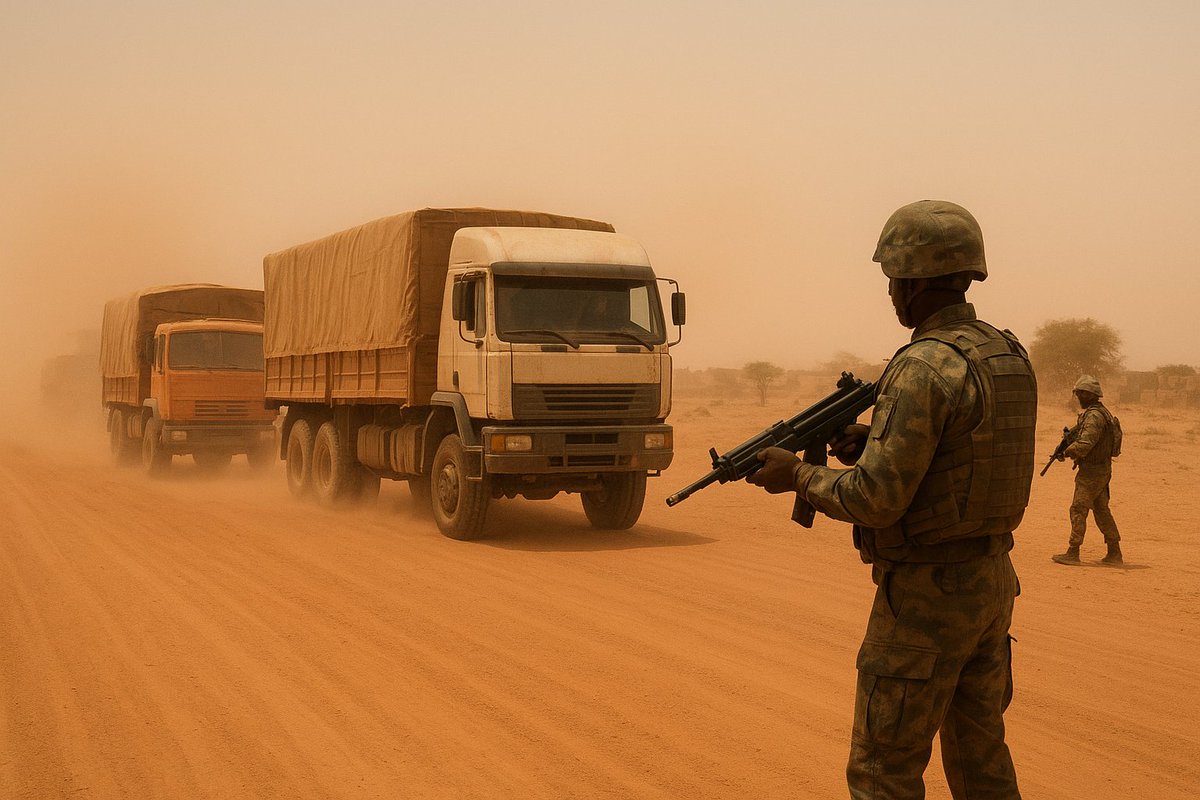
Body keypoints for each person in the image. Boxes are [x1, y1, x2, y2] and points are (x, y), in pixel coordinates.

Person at [748, 200, 1035, 799]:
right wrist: (869, 442)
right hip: (990, 581)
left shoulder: (924, 365)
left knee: (884, 771)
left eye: (892, 281)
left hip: (927, 597)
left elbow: (876, 499)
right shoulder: (1006, 354)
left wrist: (796, 477)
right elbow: (965, 459)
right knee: (981, 758)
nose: (890, 295)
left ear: (913, 279)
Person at [1051, 375, 1123, 566]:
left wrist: (1067, 452)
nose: (1078, 397)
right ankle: (1114, 552)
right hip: (1101, 469)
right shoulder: (1099, 413)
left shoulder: (1094, 416)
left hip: (1092, 472)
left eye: (1080, 393)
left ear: (1089, 394)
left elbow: (1085, 443)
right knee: (1101, 509)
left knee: (1078, 508)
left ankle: (1073, 552)